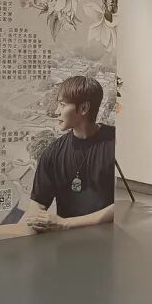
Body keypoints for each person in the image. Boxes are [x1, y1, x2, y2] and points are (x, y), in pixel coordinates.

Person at [26, 76, 115, 233]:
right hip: (66, 242)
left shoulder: (115, 143)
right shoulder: (52, 153)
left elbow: (121, 205)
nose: (56, 111)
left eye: (62, 105)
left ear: (84, 108)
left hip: (109, 238)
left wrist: (66, 223)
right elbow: (38, 202)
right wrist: (37, 218)